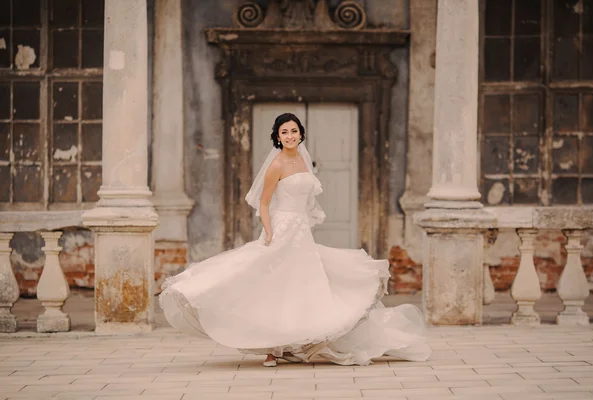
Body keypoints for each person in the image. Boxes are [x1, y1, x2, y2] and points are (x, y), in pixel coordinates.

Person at [159, 113, 431, 367]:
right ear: (277, 136)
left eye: (294, 131)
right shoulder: (276, 164)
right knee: (271, 284)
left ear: (301, 134)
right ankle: (269, 346)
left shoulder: (303, 161)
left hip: (301, 232)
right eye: (284, 132)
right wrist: (269, 231)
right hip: (281, 228)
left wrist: (303, 222)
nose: (290, 136)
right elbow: (264, 204)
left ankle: (296, 340)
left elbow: (306, 201)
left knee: (300, 285)